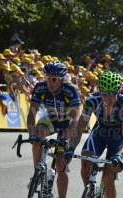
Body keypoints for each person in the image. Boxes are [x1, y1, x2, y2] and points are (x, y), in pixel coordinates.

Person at [65, 70, 123, 198]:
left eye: (113, 94)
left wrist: (119, 155)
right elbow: (79, 129)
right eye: (105, 94)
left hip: (117, 137)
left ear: (118, 91)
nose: (108, 97)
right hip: (99, 133)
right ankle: (90, 191)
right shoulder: (92, 101)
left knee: (108, 177)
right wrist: (71, 148)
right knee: (85, 161)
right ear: (99, 91)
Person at [26, 60, 81, 198]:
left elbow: (76, 120)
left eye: (54, 79)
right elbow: (31, 114)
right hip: (49, 119)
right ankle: (38, 171)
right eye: (48, 78)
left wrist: (64, 138)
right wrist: (32, 135)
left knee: (61, 166)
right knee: (38, 134)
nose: (50, 82)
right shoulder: (40, 87)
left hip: (66, 124)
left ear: (62, 80)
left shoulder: (70, 90)